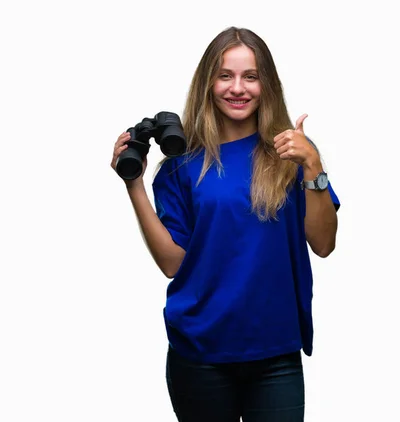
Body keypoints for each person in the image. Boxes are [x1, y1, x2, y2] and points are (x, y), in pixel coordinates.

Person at [110, 26, 340, 422]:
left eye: (250, 76)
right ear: (208, 83)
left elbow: (323, 243)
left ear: (266, 84)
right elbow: (172, 264)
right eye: (225, 75)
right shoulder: (182, 166)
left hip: (275, 351)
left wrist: (313, 165)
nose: (238, 88)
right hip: (200, 353)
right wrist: (134, 185)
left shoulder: (293, 154)